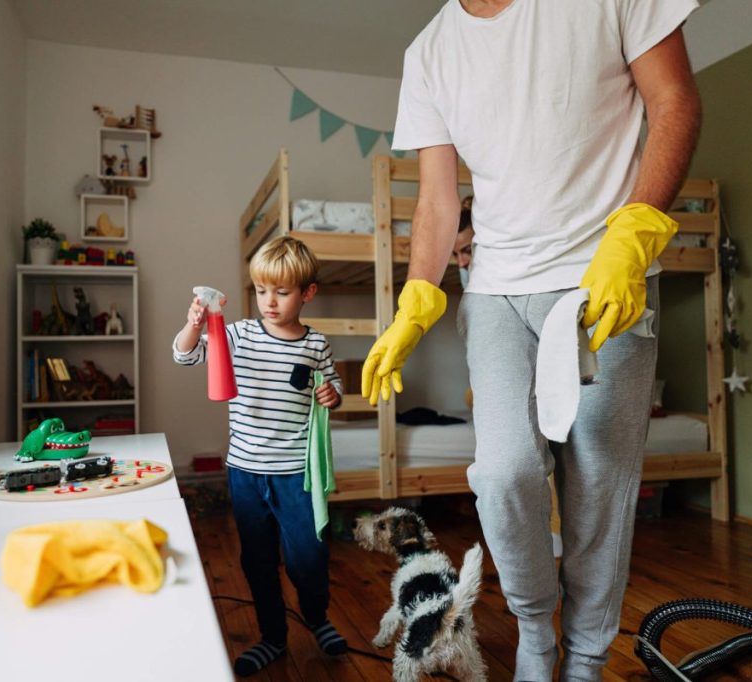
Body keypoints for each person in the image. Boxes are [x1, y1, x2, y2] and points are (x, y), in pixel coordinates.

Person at [362, 1, 701, 679]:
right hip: (495, 290)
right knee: (503, 471)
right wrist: (416, 299)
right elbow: (437, 199)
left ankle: (585, 657)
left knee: (599, 485)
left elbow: (676, 103)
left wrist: (633, 236)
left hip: (603, 281)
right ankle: (534, 629)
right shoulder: (430, 51)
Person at [172, 235, 347, 677]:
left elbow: (334, 388)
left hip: (296, 475)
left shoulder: (315, 344)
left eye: (282, 292)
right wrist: (194, 323)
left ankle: (317, 616)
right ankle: (272, 636)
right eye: (262, 290)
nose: (269, 302)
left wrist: (332, 394)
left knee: (309, 556)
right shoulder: (237, 334)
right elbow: (184, 356)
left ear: (307, 293)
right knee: (258, 560)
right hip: (246, 472)